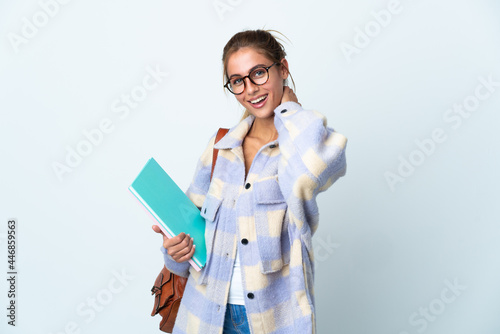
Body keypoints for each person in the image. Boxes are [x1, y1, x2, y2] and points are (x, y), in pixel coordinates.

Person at [152, 29, 348, 334]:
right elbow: (186, 241)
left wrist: (290, 110)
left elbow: (312, 174)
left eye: (259, 73)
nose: (250, 89)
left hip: (272, 322)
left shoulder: (304, 142)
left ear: (283, 69)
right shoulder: (220, 148)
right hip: (203, 317)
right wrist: (174, 251)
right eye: (237, 81)